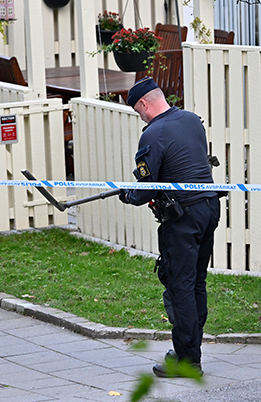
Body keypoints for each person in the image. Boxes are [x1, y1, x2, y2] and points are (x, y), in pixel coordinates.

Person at [118, 77, 220, 378]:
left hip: (183, 218)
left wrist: (128, 195)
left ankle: (188, 361)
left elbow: (148, 187)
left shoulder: (153, 134)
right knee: (196, 283)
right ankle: (190, 349)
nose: (141, 117)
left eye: (139, 112)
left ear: (144, 104)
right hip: (209, 208)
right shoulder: (191, 120)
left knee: (180, 287)